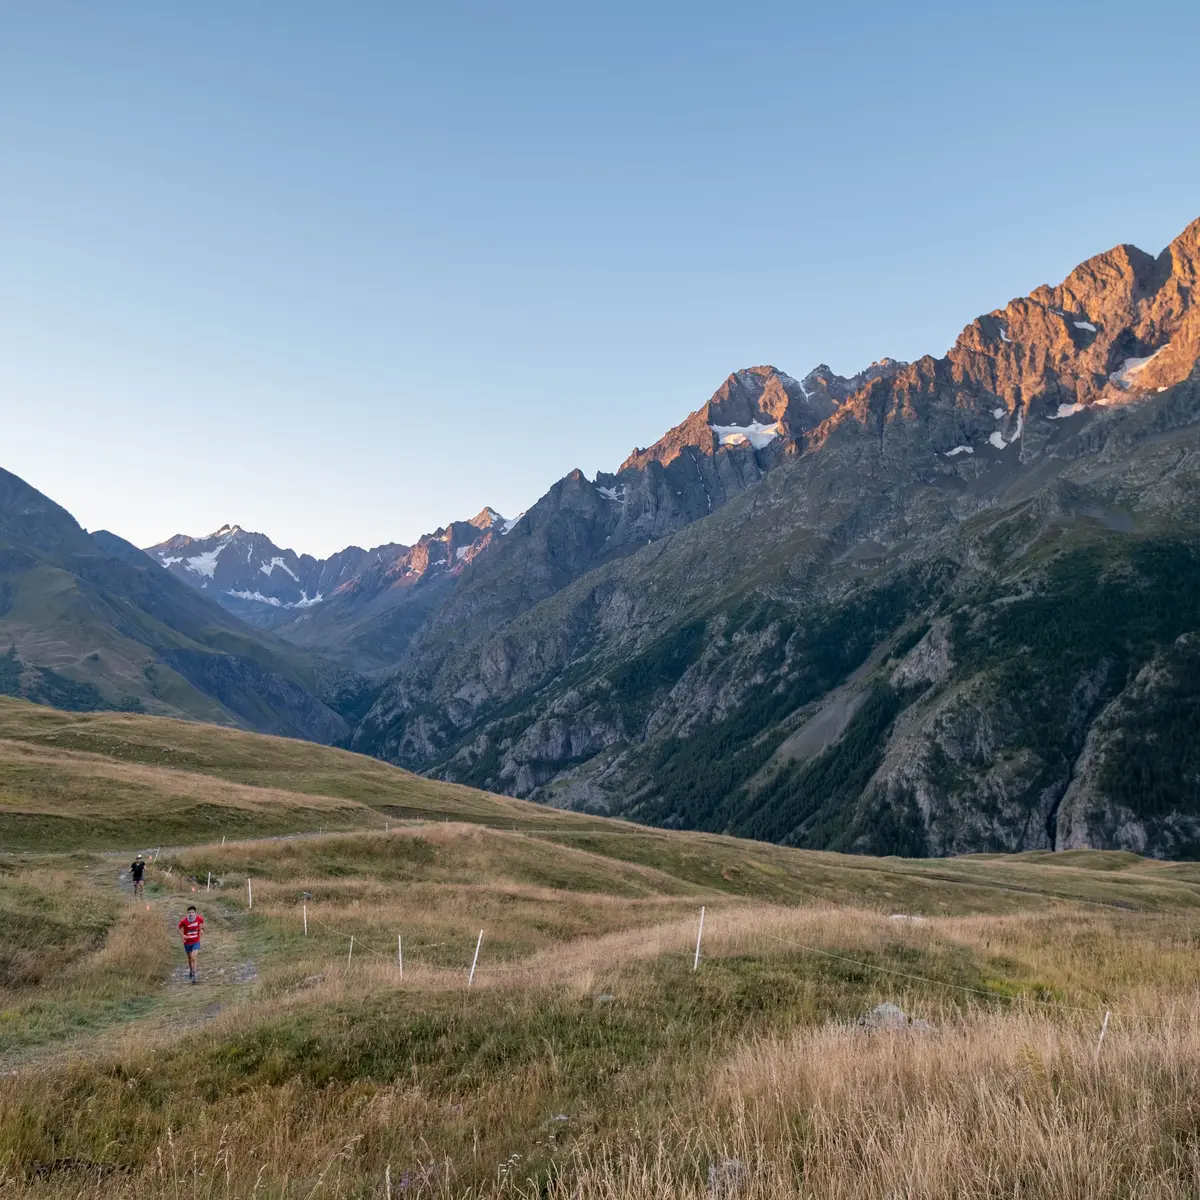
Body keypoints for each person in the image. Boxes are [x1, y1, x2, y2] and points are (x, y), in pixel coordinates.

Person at [178, 904, 204, 983]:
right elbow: (179, 929)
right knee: (189, 959)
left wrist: (202, 929)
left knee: (193, 957)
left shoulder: (199, 918)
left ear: (195, 913)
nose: (191, 914)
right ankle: (191, 970)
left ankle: (194, 974)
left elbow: (202, 924)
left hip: (196, 941)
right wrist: (183, 935)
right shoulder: (184, 921)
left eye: (192, 912)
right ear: (187, 913)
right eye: (189, 912)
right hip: (187, 942)